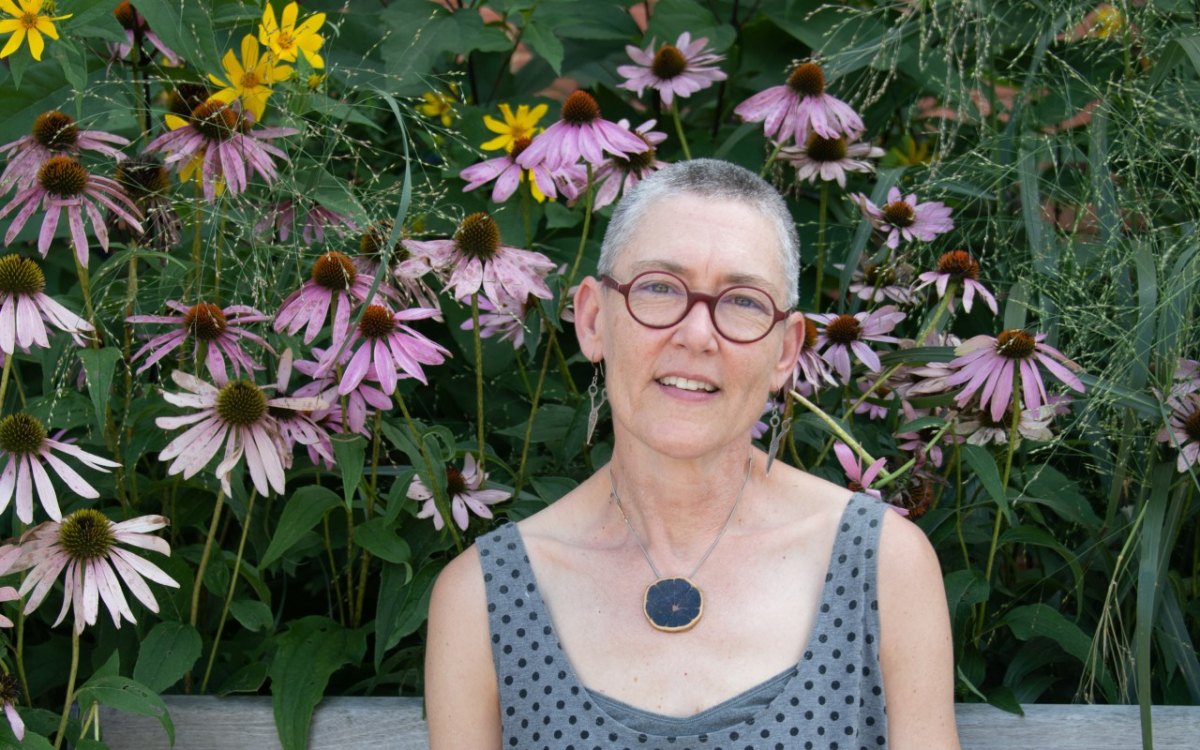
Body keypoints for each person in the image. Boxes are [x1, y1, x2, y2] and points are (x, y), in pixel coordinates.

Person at [426, 159, 959, 749]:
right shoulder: (481, 596)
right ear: (593, 319)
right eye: (658, 288)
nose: (698, 335)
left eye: (743, 301)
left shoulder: (883, 566)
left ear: (786, 351)